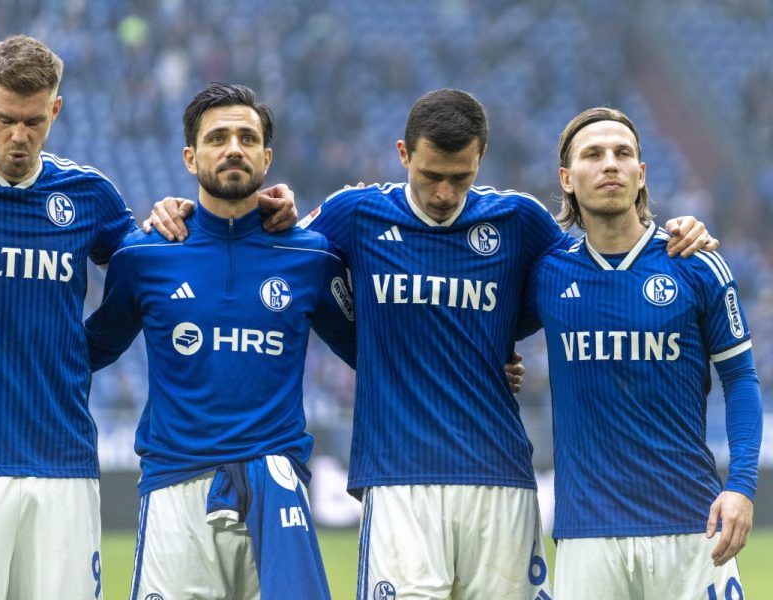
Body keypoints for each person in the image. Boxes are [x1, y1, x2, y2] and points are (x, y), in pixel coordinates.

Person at [151, 89, 715, 599]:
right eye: (430, 176)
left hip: (501, 480)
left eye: (460, 177)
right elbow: (276, 252)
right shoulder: (356, 214)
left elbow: (591, 273)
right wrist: (184, 214)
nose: (444, 193)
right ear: (403, 154)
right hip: (399, 482)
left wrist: (672, 234)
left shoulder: (519, 219)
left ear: (481, 158)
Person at [0, 35, 295, 600]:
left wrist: (184, 212)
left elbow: (154, 265)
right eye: (5, 119)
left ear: (55, 110)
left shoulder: (86, 195)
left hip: (63, 460)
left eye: (33, 121)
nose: (19, 136)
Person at [85, 82, 356, 600]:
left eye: (247, 138)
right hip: (175, 487)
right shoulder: (143, 256)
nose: (233, 148)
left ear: (267, 157)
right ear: (190, 157)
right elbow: (90, 351)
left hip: (275, 483)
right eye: (217, 138)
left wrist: (487, 360)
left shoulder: (312, 257)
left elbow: (377, 352)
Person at [520, 107, 762, 599]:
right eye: (593, 154)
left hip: (691, 526)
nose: (610, 163)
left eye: (623, 153)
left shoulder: (695, 263)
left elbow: (741, 379)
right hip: (587, 535)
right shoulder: (545, 274)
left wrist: (740, 486)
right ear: (566, 179)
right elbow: (481, 332)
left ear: (642, 172)